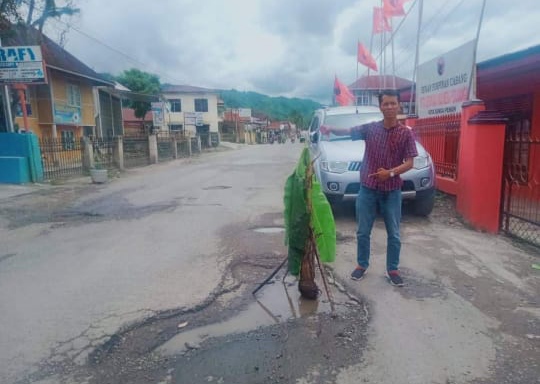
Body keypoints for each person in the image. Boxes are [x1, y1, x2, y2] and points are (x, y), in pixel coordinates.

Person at [319, 89, 417, 286]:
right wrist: (331, 129)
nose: (389, 107)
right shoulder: (371, 129)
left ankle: (393, 269)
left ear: (399, 106)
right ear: (380, 106)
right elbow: (349, 131)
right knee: (363, 231)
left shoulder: (406, 133)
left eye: (393, 103)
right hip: (368, 189)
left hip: (392, 190)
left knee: (394, 233)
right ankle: (361, 265)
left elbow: (409, 163)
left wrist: (389, 172)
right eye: (385, 103)